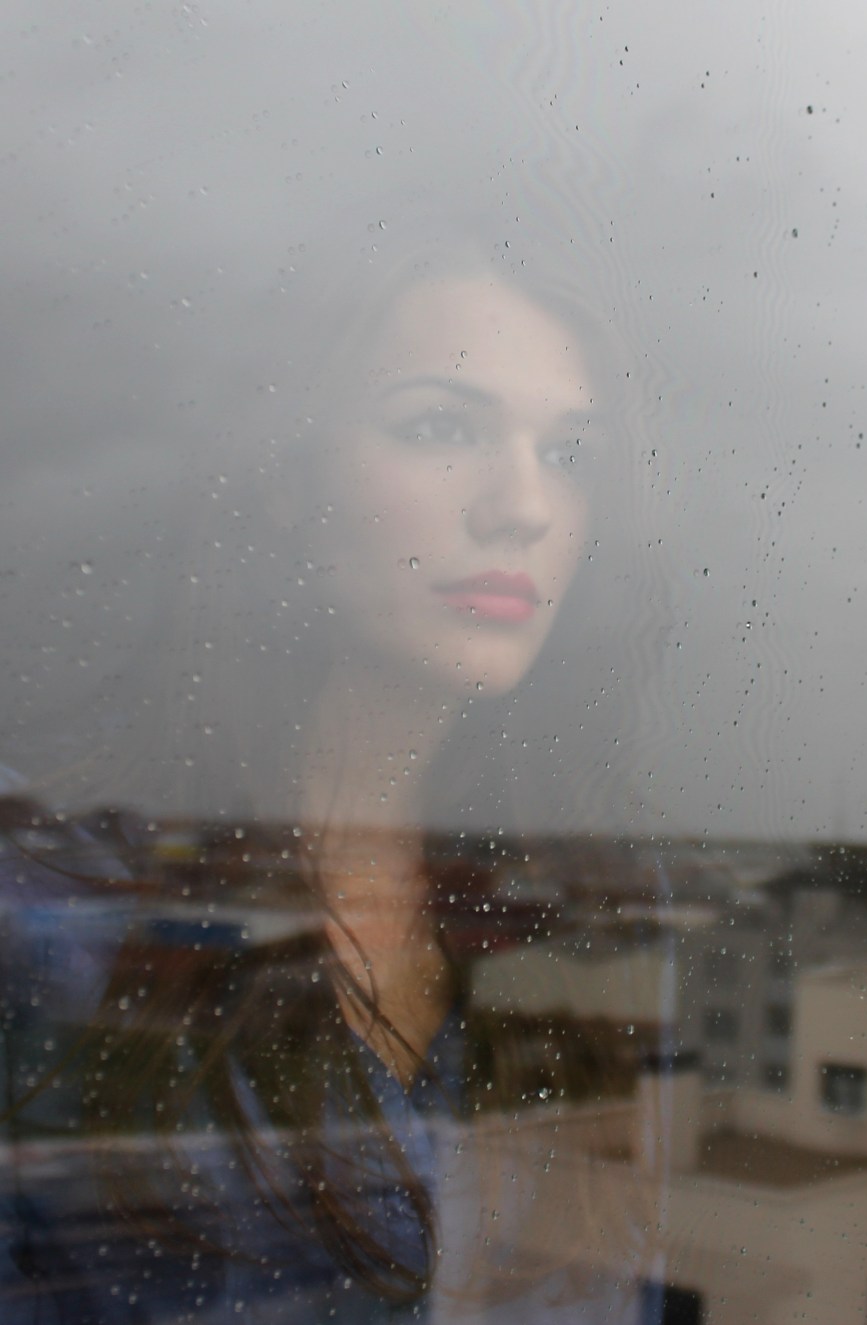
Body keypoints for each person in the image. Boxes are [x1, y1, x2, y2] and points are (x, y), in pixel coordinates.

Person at [0, 218, 659, 1323]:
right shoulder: (48, 895)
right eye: (441, 426)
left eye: (568, 453)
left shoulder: (590, 920)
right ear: (281, 479)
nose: (523, 505)